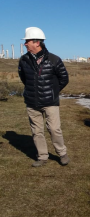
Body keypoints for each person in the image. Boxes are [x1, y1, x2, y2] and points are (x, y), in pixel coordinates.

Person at [18, 27, 70, 167]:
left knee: (54, 129)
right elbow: (24, 78)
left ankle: (62, 153)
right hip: (31, 102)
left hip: (50, 102)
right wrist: (33, 91)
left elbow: (64, 79)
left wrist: (52, 91)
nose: (25, 44)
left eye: (27, 41)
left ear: (37, 42)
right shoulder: (23, 60)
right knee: (37, 131)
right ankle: (42, 156)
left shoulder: (54, 59)